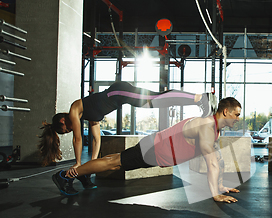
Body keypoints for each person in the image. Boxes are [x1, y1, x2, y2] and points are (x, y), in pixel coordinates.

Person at [52, 97, 241, 203]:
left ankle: (74, 174)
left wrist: (221, 185)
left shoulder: (213, 129)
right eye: (236, 114)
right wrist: (215, 193)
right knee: (113, 163)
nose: (238, 118)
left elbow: (217, 159)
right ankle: (66, 175)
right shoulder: (207, 127)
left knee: (115, 162)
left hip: (155, 149)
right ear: (226, 112)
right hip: (154, 150)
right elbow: (212, 163)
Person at [38, 81, 217, 188]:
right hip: (120, 96)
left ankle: (200, 98)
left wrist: (78, 164)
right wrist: (90, 165)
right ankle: (199, 99)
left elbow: (78, 139)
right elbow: (96, 139)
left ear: (62, 121)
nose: (69, 130)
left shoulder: (74, 110)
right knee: (156, 100)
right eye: (67, 131)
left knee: (156, 99)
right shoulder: (91, 117)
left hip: (117, 92)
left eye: (66, 129)